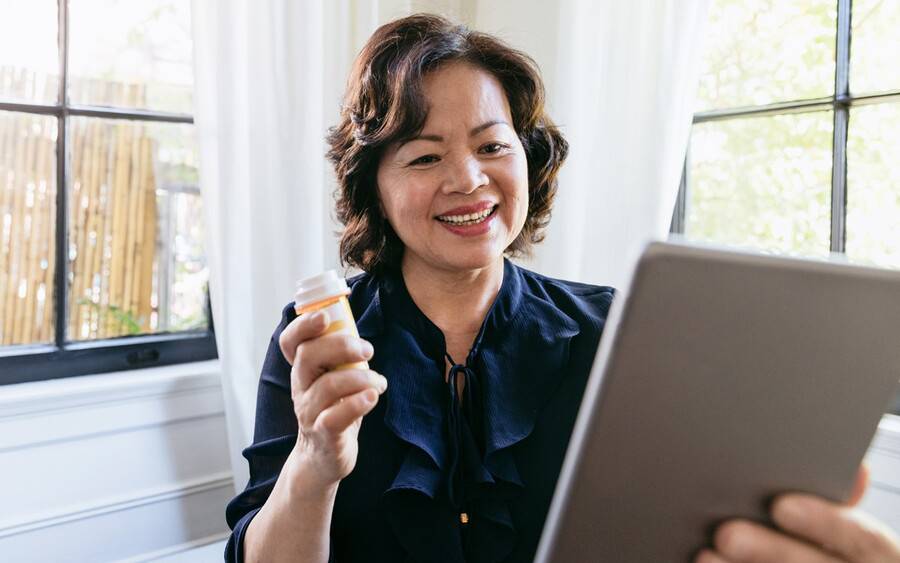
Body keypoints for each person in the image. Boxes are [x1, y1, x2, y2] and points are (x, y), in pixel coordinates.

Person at [224, 13, 900, 563]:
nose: (468, 179)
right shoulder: (320, 336)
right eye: (426, 156)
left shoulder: (614, 330)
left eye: (493, 146)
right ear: (374, 183)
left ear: (529, 158)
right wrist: (315, 461)